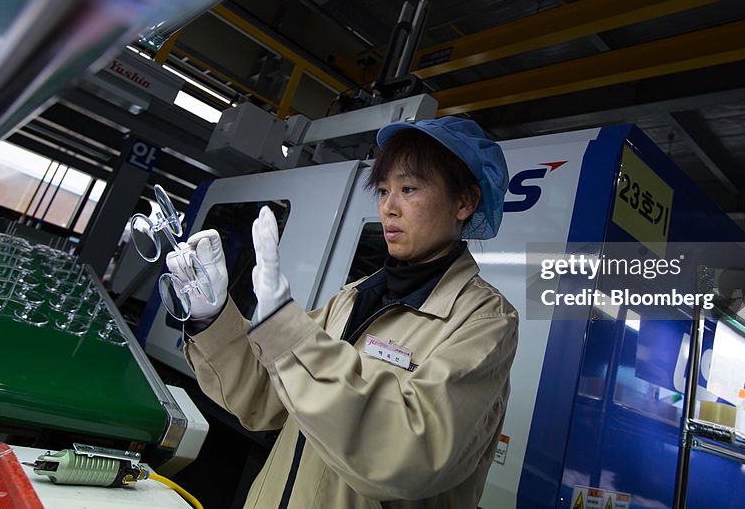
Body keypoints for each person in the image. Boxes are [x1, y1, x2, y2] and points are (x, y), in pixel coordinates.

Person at [168, 116, 517, 508]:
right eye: (384, 191)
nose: (389, 207)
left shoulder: (484, 321)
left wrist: (288, 332)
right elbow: (264, 397)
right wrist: (213, 317)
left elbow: (410, 454)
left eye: (409, 188)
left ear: (465, 202)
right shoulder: (354, 297)